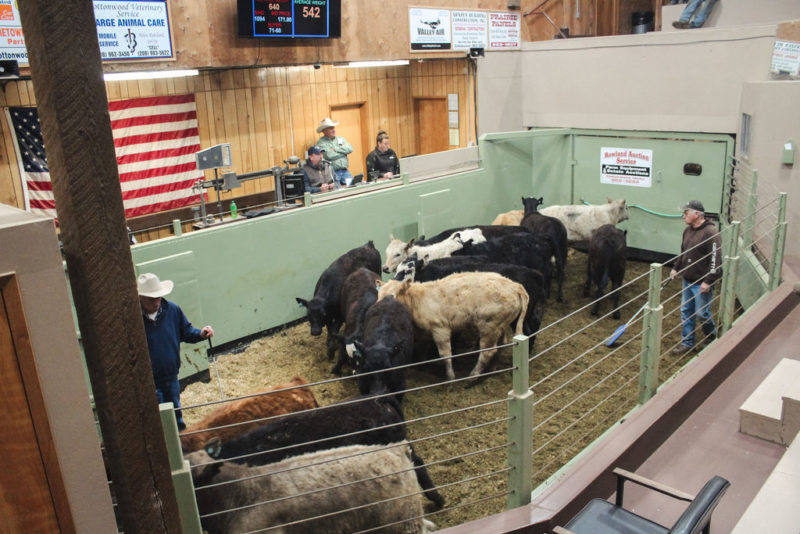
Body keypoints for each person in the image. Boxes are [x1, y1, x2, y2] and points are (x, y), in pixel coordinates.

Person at [137, 272, 213, 430]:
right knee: (160, 420)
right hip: (148, 381)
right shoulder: (134, 319)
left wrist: (201, 334)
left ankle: (180, 444)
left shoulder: (172, 310)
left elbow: (186, 331)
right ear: (141, 298)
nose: (156, 302)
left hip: (171, 375)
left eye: (158, 297)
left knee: (176, 413)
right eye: (152, 299)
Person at [669, 200, 722, 355]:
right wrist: (676, 267)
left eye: (686, 213)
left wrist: (708, 281)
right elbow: (683, 252)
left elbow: (715, 259)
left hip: (701, 282)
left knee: (701, 313)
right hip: (688, 279)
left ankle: (711, 335)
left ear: (697, 214)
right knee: (686, 310)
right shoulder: (688, 231)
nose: (683, 216)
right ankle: (688, 342)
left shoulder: (711, 233)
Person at [315, 117, 354, 186]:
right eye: (330, 128)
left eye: (333, 128)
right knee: (336, 191)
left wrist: (336, 149)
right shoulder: (321, 142)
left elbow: (350, 149)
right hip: (332, 173)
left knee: (352, 187)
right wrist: (344, 153)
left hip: (345, 171)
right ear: (324, 131)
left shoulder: (340, 138)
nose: (333, 130)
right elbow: (329, 155)